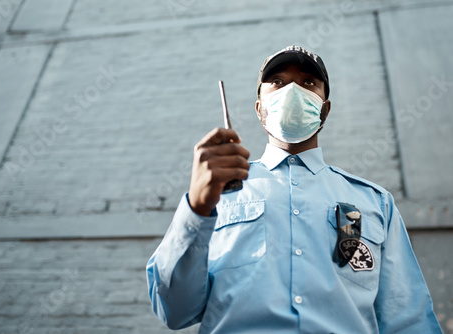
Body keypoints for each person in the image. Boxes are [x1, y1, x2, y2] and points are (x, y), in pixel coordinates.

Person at [146, 45, 442, 333]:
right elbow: (174, 311)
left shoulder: (375, 202)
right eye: (277, 82)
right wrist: (197, 210)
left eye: (308, 82)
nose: (292, 92)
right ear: (260, 108)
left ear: (324, 110)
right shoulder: (214, 194)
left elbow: (409, 319)